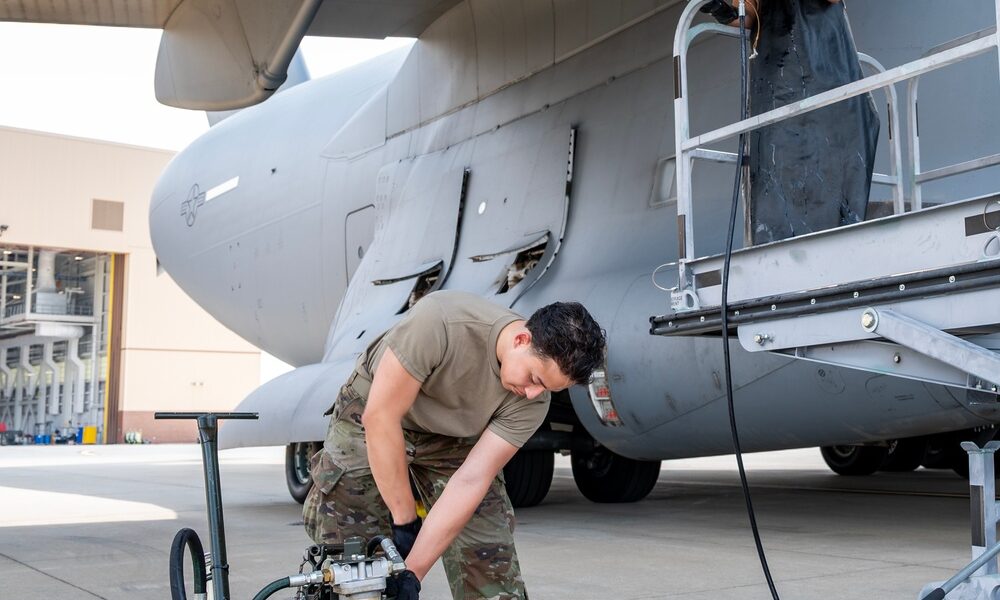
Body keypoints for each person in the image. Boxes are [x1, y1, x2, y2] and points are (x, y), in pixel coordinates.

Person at [303, 290, 606, 599]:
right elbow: (381, 417)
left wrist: (413, 573)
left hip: (454, 438)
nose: (532, 394)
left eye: (545, 389)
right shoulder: (441, 323)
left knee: (487, 554)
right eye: (534, 378)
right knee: (354, 552)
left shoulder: (532, 401)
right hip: (374, 413)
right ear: (521, 340)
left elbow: (471, 479)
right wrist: (405, 521)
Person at [703, 0, 880, 244]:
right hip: (775, 87)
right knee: (773, 175)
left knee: (831, 174)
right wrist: (720, 8)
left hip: (826, 78)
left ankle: (839, 237)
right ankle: (775, 244)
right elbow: (748, 16)